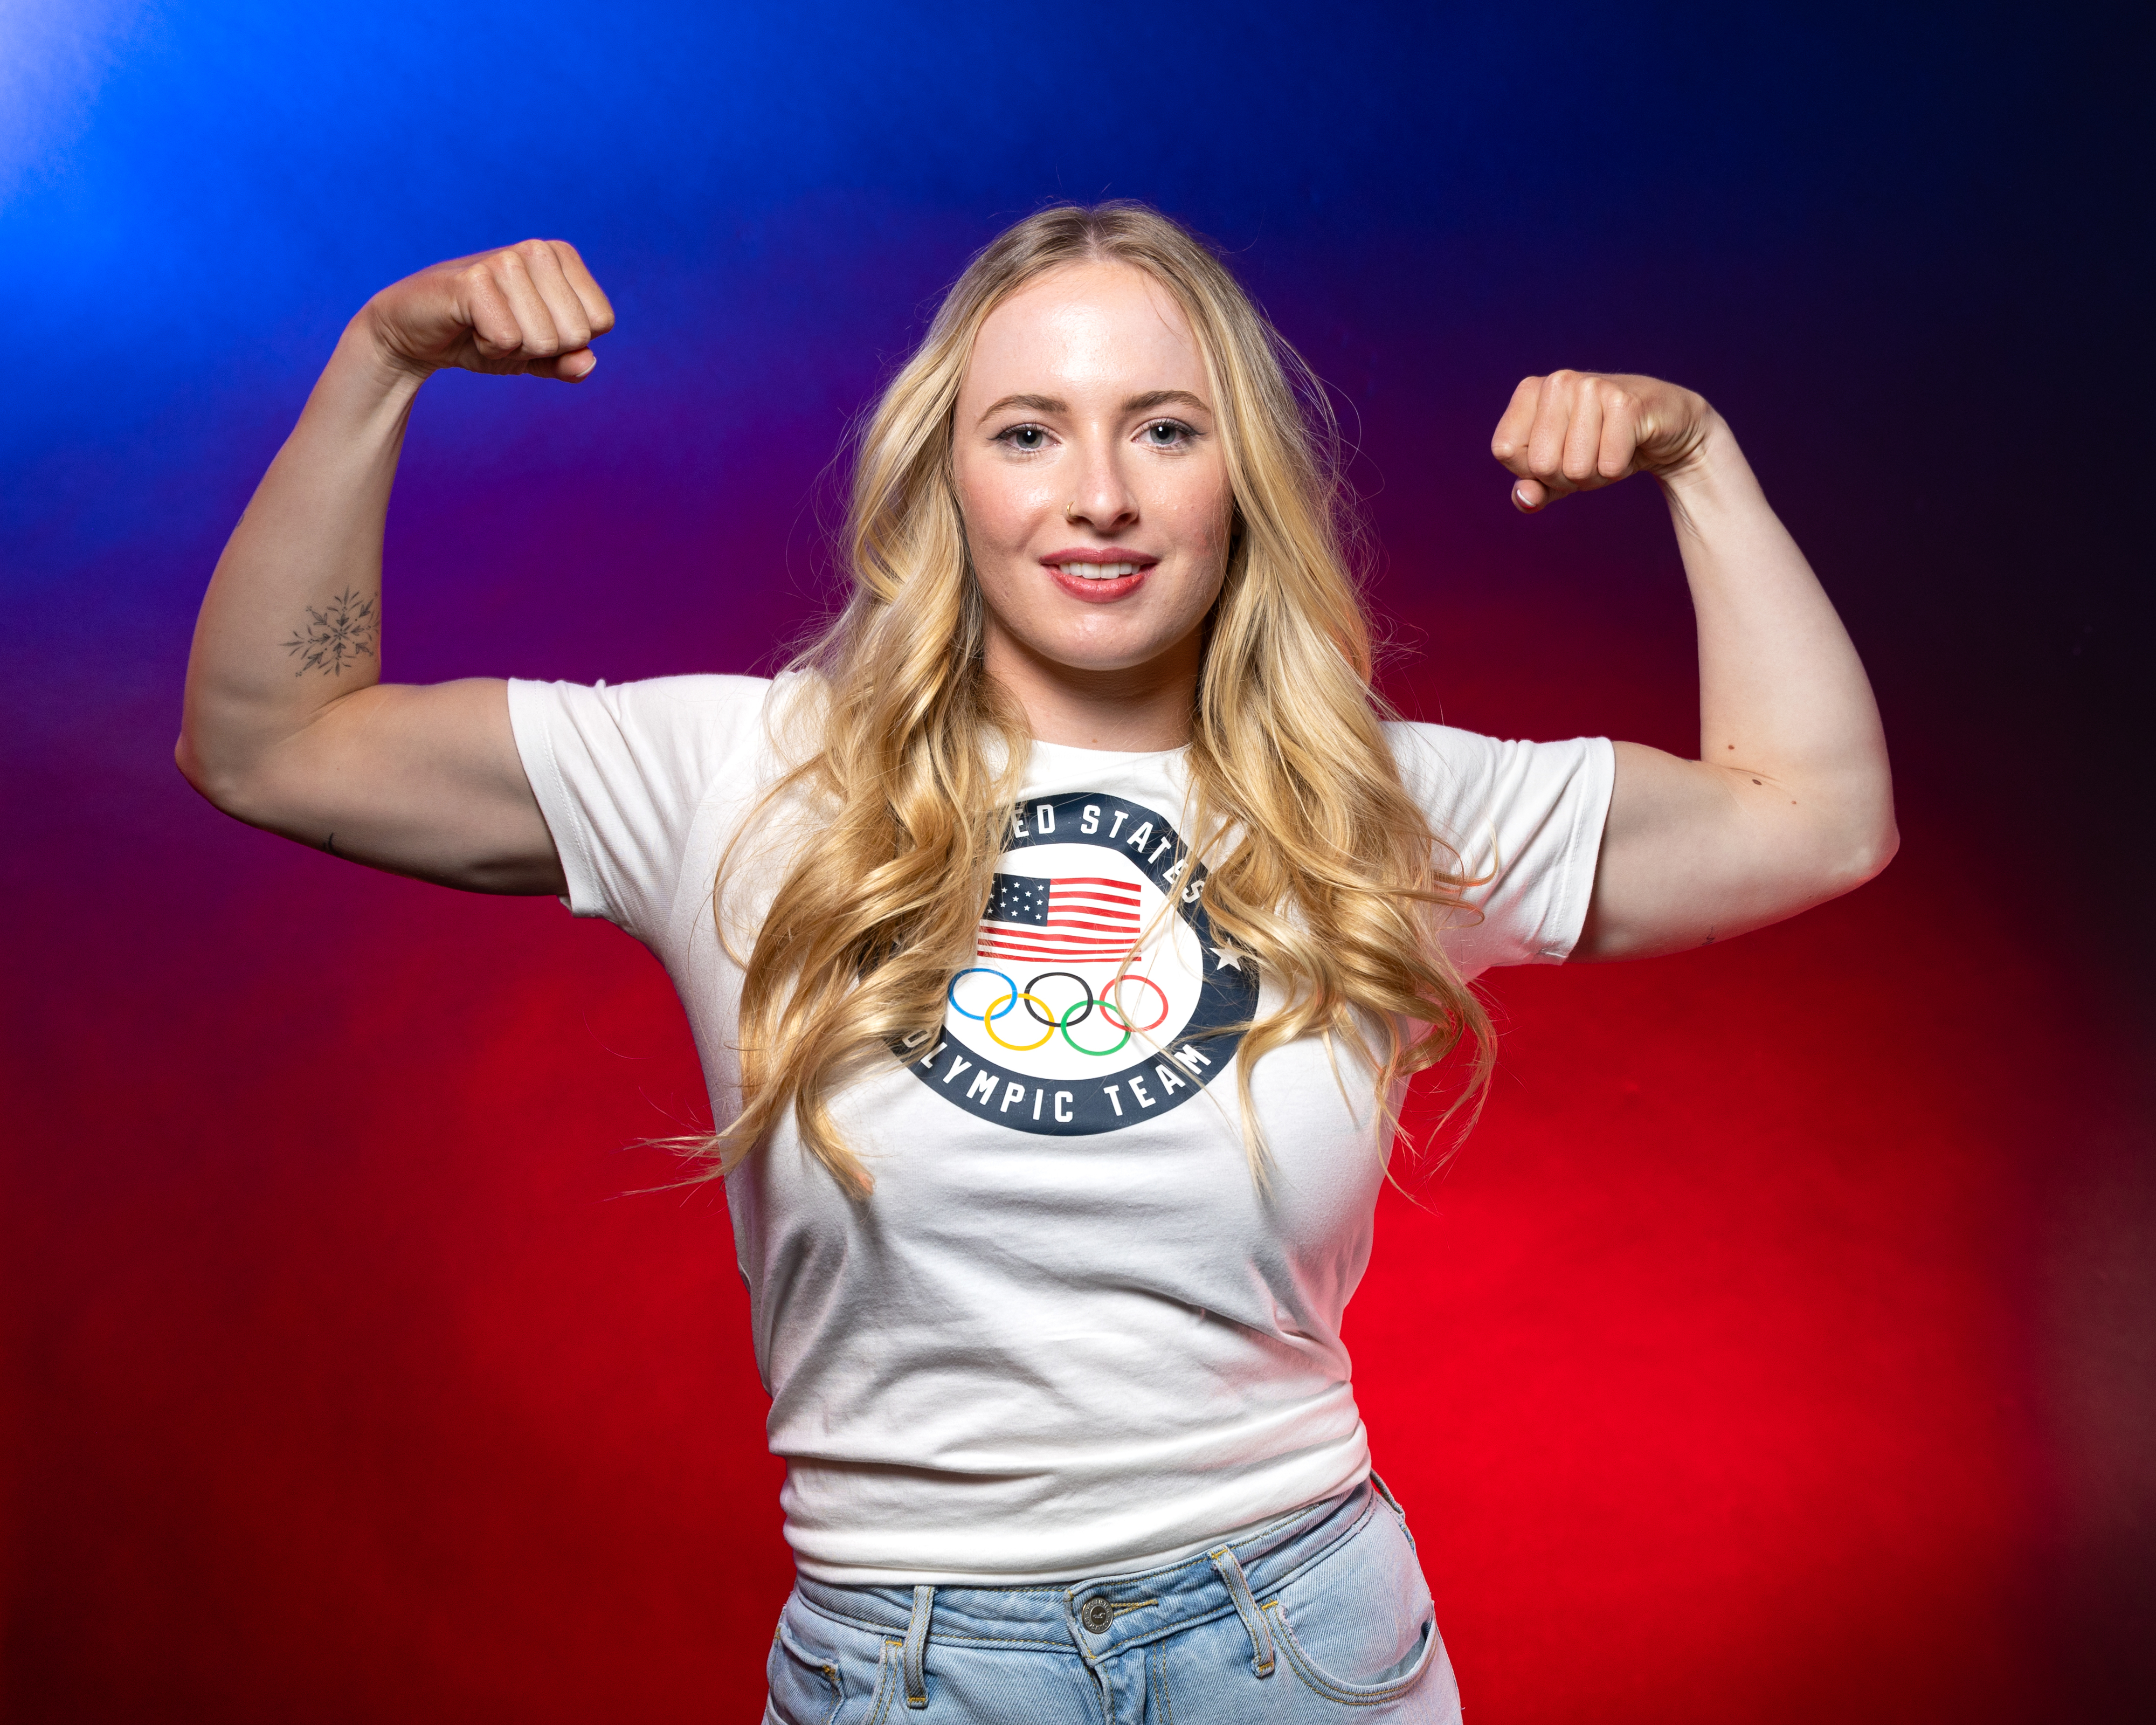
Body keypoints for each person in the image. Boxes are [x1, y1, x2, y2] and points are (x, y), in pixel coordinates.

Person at [177, 203, 1896, 1722]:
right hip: (904, 1666)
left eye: (1166, 428)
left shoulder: (1366, 805)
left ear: (1242, 478)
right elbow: (271, 743)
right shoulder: (738, 775)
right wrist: (380, 361)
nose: (1100, 496)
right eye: (1028, 432)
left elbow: (1816, 818)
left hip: (1297, 1647)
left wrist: (1698, 457)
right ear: (950, 477)